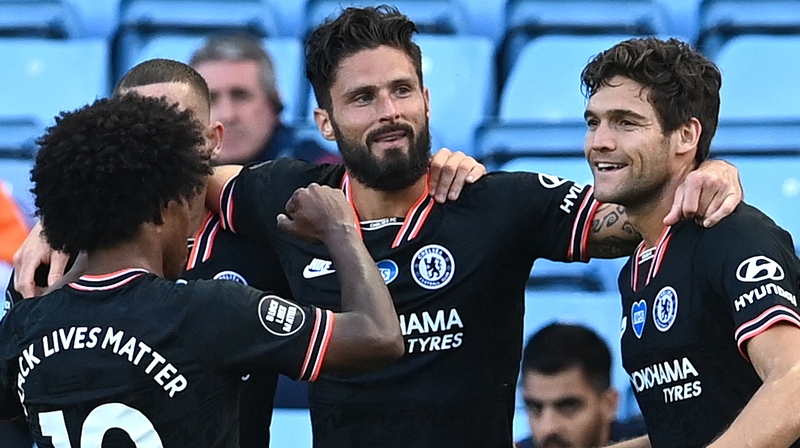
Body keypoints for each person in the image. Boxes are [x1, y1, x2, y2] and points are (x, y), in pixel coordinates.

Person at [200, 7, 744, 447]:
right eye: (363, 98)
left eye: (402, 90)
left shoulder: (495, 202)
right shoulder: (288, 196)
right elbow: (182, 183)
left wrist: (703, 169)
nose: (389, 111)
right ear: (325, 121)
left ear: (427, 98)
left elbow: (635, 222)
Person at [5, 57, 485, 448]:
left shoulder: (266, 225)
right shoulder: (54, 266)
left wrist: (441, 170)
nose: (150, 154)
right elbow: (378, 336)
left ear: (211, 143)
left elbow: (383, 198)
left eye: (171, 137)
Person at [581, 37, 800, 448]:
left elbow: (794, 382)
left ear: (686, 136)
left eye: (626, 122)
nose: (600, 142)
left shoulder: (732, 236)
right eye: (594, 122)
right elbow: (689, 430)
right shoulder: (638, 267)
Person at [189, 34, 341, 165]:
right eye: (211, 99)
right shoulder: (169, 176)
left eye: (240, 96)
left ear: (274, 103)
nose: (228, 115)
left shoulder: (324, 173)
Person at [516, 323, 646, 448]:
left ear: (609, 403)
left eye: (568, 406)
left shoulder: (657, 441)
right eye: (535, 407)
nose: (548, 428)